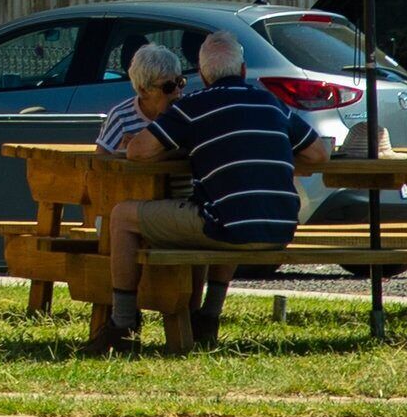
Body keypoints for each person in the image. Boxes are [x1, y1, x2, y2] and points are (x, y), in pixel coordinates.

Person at [98, 30, 328, 350]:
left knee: (123, 217)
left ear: (203, 76)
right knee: (229, 204)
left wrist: (183, 149)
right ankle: (209, 316)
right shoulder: (271, 103)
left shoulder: (194, 107)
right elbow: (319, 155)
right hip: (281, 226)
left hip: (228, 226)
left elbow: (138, 151)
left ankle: (122, 326)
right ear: (243, 70)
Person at [99, 43, 185, 157]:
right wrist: (122, 153)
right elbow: (98, 163)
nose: (177, 91)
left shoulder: (187, 112)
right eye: (168, 87)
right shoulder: (121, 116)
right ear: (143, 90)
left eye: (180, 82)